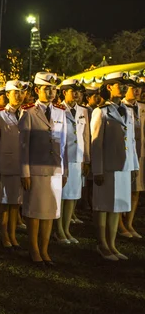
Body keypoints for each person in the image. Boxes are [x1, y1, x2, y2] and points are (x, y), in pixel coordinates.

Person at [19, 72, 67, 266]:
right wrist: (25, 172)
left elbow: (64, 144)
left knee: (50, 211)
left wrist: (64, 170)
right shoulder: (29, 112)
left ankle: (45, 249)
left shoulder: (60, 112)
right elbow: (23, 145)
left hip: (54, 169)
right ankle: (34, 249)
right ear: (37, 90)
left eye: (54, 88)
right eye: (47, 88)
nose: (51, 92)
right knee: (34, 211)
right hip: (36, 169)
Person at [91, 72, 139, 261]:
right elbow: (96, 143)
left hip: (123, 166)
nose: (125, 88)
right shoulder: (100, 111)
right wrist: (98, 170)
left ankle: (112, 244)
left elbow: (132, 141)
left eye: (126, 85)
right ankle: (102, 244)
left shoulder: (127, 110)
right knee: (103, 206)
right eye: (120, 84)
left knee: (117, 206)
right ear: (109, 87)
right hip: (108, 166)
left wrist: (134, 165)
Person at [0, 80, 24, 249]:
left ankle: (13, 233)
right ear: (7, 95)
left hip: (21, 166)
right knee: (4, 203)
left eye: (21, 92)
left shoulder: (27, 113)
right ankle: (4, 235)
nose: (19, 95)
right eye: (15, 92)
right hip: (5, 166)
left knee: (16, 203)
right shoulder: (0, 114)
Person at [54, 79, 90, 244]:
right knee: (61, 196)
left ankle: (67, 229)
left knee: (73, 196)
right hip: (63, 158)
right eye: (71, 90)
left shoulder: (83, 110)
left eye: (78, 91)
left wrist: (86, 159)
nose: (76, 94)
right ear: (64, 92)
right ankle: (58, 229)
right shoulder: (58, 110)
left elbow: (85, 136)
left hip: (77, 158)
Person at [117, 76, 143, 238]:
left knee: (136, 190)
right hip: (124, 154)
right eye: (133, 87)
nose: (138, 90)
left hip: (140, 154)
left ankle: (129, 223)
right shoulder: (119, 108)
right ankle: (120, 224)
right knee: (122, 190)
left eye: (139, 88)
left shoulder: (141, 107)